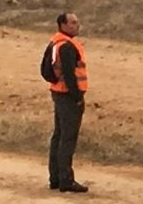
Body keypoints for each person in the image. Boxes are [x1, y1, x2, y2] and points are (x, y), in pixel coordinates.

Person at [47, 12, 89, 193]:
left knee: (58, 136)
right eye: (72, 23)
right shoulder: (67, 46)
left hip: (58, 93)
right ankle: (66, 180)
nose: (76, 25)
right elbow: (70, 75)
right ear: (62, 25)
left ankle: (55, 177)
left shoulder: (55, 42)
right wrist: (77, 97)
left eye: (77, 22)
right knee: (67, 138)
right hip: (68, 97)